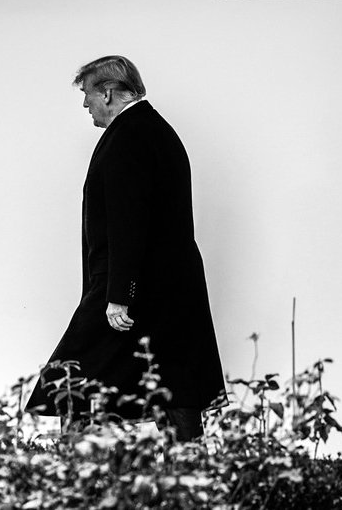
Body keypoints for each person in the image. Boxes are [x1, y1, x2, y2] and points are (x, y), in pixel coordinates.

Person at [26, 55, 225, 441]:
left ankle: (65, 477)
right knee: (173, 380)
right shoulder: (152, 130)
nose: (85, 105)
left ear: (108, 91)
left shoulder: (130, 137)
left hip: (135, 287)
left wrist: (119, 295)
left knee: (75, 375)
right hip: (167, 287)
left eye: (87, 95)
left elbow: (128, 220)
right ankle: (192, 478)